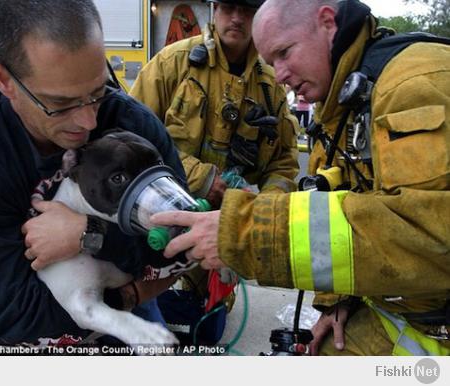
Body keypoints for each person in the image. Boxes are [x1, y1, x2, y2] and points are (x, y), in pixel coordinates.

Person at [151, 0, 450, 356]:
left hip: (428, 315)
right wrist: (338, 300)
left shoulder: (414, 85)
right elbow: (335, 200)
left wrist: (242, 231)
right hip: (404, 307)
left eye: (284, 53)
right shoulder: (341, 105)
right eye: (271, 61)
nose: (279, 76)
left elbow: (427, 236)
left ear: (326, 22)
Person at [0, 0, 184, 345]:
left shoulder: (133, 125)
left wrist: (90, 234)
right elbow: (13, 319)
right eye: (60, 104)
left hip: (127, 325)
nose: (88, 121)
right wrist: (131, 293)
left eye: (98, 92)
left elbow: (182, 245)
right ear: (3, 79)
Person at [130, 0, 299, 208]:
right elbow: (133, 136)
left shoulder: (271, 85)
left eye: (247, 10)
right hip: (167, 208)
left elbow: (284, 162)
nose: (237, 18)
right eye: (229, 7)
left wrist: (264, 207)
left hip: (230, 218)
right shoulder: (172, 63)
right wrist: (200, 178)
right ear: (215, 9)